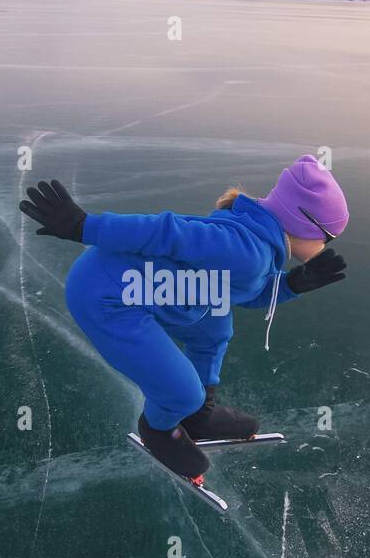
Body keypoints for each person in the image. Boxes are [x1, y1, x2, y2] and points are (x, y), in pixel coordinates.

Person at [19, 155, 349, 483]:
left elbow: (239, 291)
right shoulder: (247, 253)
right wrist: (84, 226)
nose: (327, 245)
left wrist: (292, 284)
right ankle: (159, 429)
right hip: (106, 295)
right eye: (329, 238)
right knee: (182, 392)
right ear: (307, 224)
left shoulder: (258, 242)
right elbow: (167, 232)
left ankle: (198, 417)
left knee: (216, 326)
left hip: (149, 287)